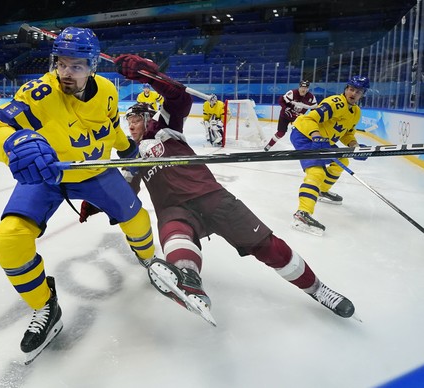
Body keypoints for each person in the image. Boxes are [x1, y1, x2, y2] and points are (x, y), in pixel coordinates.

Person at [80, 54, 356, 324]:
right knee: (174, 235)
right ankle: (189, 281)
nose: (131, 125)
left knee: (268, 247)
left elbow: (179, 97)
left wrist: (145, 72)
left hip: (211, 196)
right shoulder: (132, 157)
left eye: (136, 119)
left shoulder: (165, 128)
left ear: (149, 117)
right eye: (128, 122)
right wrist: (96, 199)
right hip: (173, 209)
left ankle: (318, 289)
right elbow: (124, 191)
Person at [0, 27, 157, 364]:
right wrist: (13, 143)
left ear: (92, 66)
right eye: (60, 63)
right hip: (48, 175)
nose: (65, 73)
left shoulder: (107, 91)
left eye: (75, 66)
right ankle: (45, 305)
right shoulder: (39, 93)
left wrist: (127, 147)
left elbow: (109, 127)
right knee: (8, 240)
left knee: (138, 220)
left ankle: (149, 259)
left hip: (96, 172)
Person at [290, 76, 369, 236]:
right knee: (316, 172)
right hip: (304, 134)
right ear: (346, 89)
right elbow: (310, 119)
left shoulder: (356, 112)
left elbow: (347, 134)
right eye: (351, 89)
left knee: (342, 160)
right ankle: (302, 214)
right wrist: (316, 135)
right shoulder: (335, 103)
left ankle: (321, 191)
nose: (353, 93)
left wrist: (355, 147)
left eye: (358, 91)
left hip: (322, 139)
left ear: (362, 94)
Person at [264, 80, 317, 151]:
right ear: (299, 87)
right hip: (285, 116)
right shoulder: (292, 93)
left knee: (304, 133)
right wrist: (286, 108)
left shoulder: (311, 98)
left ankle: (307, 149)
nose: (303, 89)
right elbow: (280, 100)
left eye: (305, 88)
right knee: (281, 133)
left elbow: (314, 109)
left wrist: (311, 117)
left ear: (308, 89)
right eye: (302, 87)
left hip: (298, 118)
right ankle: (269, 145)